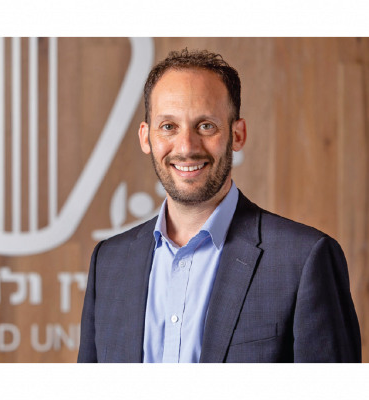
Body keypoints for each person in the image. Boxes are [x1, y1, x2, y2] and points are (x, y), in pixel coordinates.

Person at [77, 49, 361, 364]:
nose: (186, 147)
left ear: (237, 134)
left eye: (206, 126)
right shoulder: (109, 262)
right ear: (146, 138)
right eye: (168, 126)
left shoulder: (305, 259)